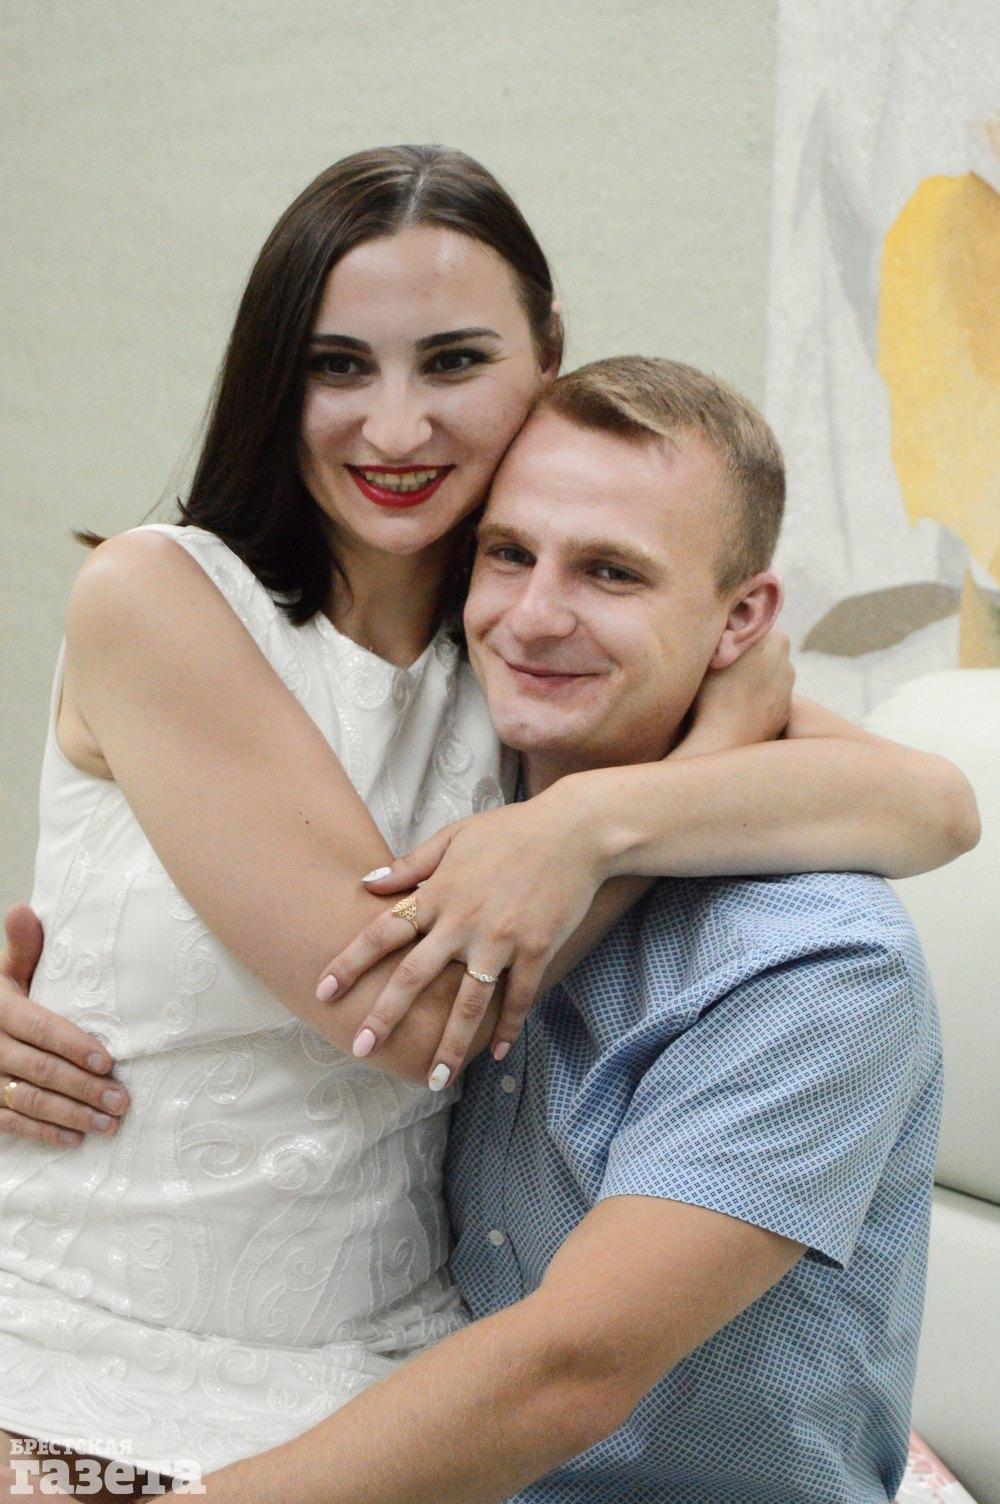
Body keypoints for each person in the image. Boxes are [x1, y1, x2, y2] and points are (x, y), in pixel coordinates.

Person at [0, 141, 975, 1496]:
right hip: (86, 1330)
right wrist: (618, 815)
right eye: (338, 365)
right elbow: (396, 1016)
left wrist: (591, 823)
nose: (397, 429)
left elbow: (934, 799)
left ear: (543, 356)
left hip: (380, 1360)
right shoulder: (172, 598)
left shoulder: (520, 667)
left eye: (453, 362)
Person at [198, 357, 950, 1504]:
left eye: (610, 571)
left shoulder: (815, 960)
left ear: (740, 619)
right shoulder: (429, 782)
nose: (533, 617)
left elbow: (567, 1372)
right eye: (507, 553)